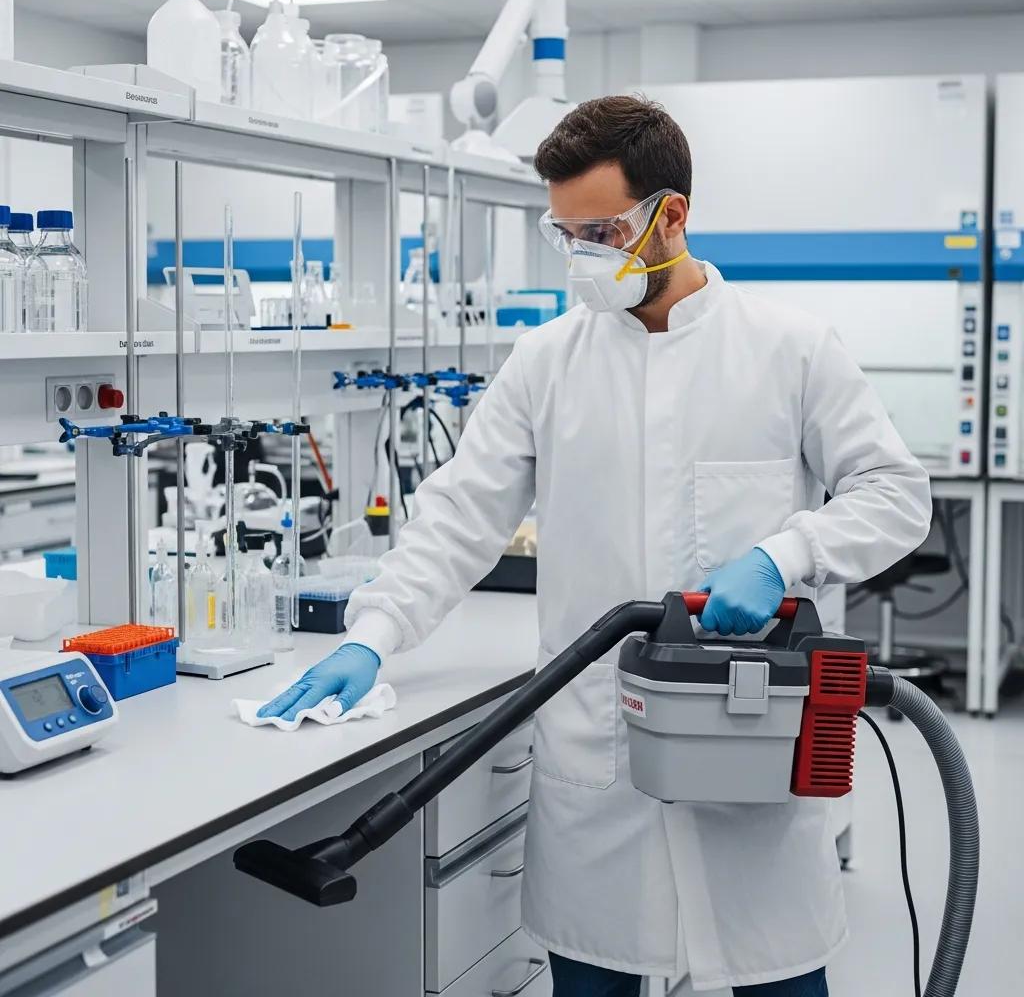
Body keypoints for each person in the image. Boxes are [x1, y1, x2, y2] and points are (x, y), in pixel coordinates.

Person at [258, 96, 932, 996]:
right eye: (564, 233)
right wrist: (371, 634)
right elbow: (460, 517)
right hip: (598, 764)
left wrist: (786, 553)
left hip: (751, 754)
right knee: (593, 976)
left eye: (602, 230)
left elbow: (896, 495)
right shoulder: (547, 360)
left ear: (673, 215)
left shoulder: (790, 351)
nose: (584, 255)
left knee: (776, 977)